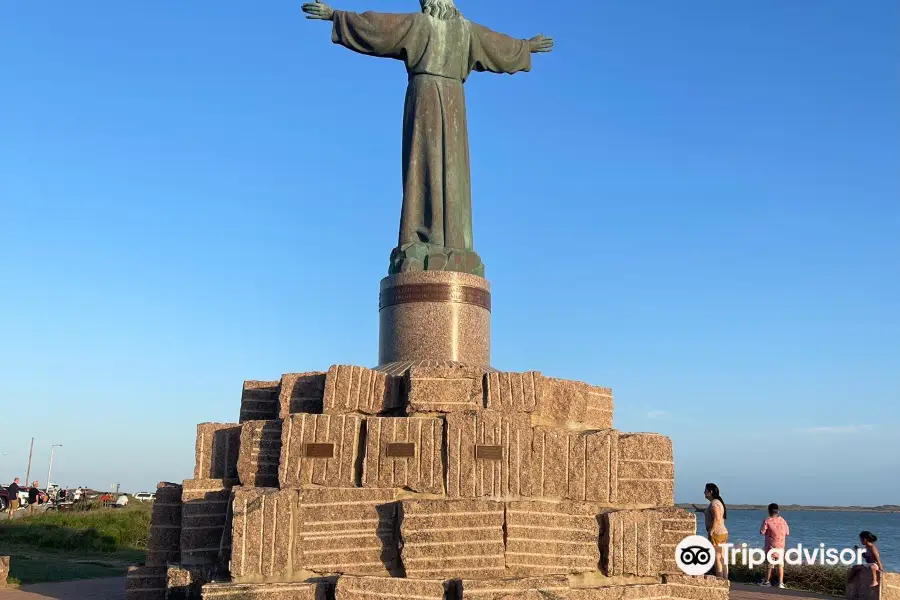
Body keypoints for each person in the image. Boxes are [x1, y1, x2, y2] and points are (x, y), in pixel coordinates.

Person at [692, 483, 729, 579]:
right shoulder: (716, 502)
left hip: (717, 533)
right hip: (722, 532)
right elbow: (711, 511)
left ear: (710, 492)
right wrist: (700, 510)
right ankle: (724, 578)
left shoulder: (714, 503)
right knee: (722, 556)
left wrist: (711, 531)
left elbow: (717, 518)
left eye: (705, 490)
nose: (704, 492)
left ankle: (720, 578)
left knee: (717, 556)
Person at [760, 503, 790, 588]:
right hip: (781, 547)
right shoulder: (783, 521)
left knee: (769, 566)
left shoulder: (767, 520)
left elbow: (762, 531)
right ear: (778, 511)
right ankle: (781, 583)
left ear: (769, 511)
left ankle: (767, 581)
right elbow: (787, 533)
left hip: (771, 548)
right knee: (780, 566)